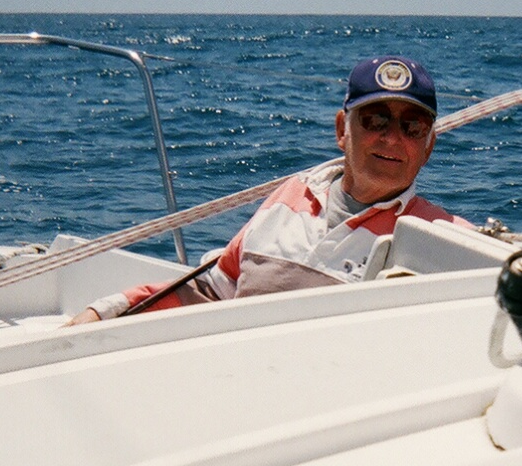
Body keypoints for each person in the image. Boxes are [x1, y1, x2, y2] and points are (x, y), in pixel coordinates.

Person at [67, 55, 468, 324]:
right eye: (376, 121)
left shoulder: (442, 237)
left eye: (412, 127)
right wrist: (107, 312)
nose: (392, 139)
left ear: (429, 145)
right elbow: (215, 290)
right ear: (342, 131)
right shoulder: (291, 195)